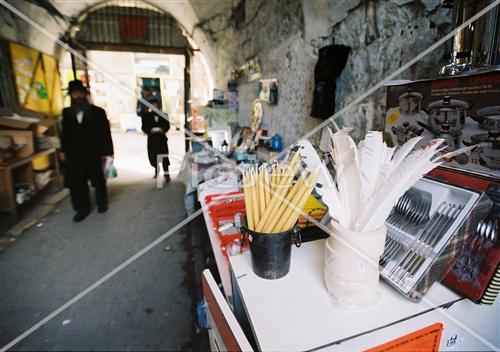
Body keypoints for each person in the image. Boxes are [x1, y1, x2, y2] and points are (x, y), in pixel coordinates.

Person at [60, 80, 114, 222]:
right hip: (74, 155)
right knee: (77, 183)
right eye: (74, 93)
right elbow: (64, 134)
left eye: (79, 92)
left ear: (85, 94)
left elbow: (105, 134)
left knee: (99, 181)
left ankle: (102, 203)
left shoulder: (98, 112)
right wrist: (63, 150)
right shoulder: (66, 113)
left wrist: (109, 153)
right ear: (71, 95)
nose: (77, 96)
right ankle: (81, 209)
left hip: (94, 153)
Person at [141, 96, 170, 182]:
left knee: (164, 157)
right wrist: (150, 130)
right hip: (152, 140)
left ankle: (166, 174)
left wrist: (162, 129)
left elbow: (167, 126)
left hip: (161, 139)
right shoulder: (146, 116)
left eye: (156, 105)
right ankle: (156, 169)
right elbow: (144, 127)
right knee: (153, 157)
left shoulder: (164, 115)